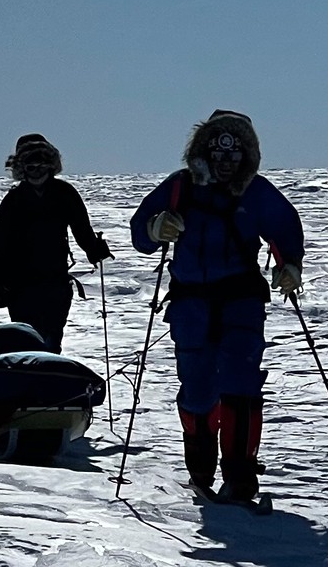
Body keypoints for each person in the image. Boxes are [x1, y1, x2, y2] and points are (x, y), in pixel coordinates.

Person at [129, 110, 305, 504]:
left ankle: (241, 475)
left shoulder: (256, 192)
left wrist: (290, 264)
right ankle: (201, 465)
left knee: (240, 384)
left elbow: (284, 229)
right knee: (197, 387)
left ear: (247, 155)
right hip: (191, 302)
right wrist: (155, 228)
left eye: (235, 152)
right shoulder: (180, 188)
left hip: (241, 299)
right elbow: (141, 230)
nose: (226, 161)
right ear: (204, 151)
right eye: (218, 151)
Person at [0, 134, 112, 352]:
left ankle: (46, 383)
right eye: (31, 165)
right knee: (26, 342)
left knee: (51, 342)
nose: (37, 171)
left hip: (55, 283)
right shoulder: (13, 201)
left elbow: (81, 229)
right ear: (21, 168)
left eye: (42, 164)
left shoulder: (65, 194)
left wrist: (95, 250)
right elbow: (0, 245)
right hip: (20, 287)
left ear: (51, 166)